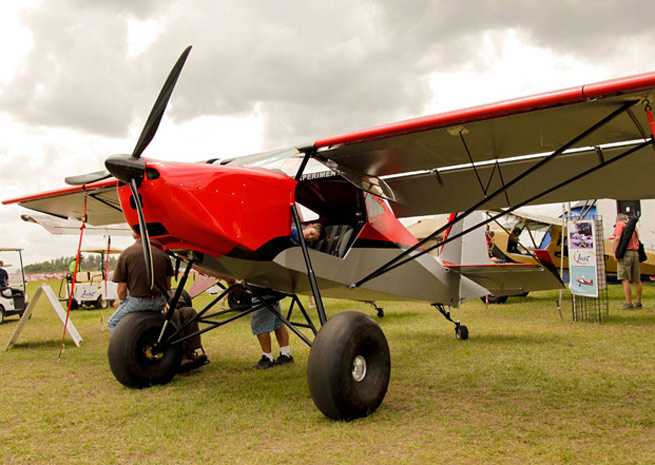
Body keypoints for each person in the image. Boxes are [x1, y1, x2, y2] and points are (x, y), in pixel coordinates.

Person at [251, 223, 323, 369]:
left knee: (259, 322)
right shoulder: (290, 232)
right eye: (311, 233)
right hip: (276, 281)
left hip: (266, 281)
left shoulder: (304, 246)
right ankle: (286, 354)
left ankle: (267, 357)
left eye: (313, 238)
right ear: (308, 226)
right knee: (278, 321)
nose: (310, 238)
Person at [107, 236, 172, 331]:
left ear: (134, 236)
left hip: (138, 302)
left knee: (112, 323)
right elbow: (168, 285)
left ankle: (127, 344)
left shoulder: (126, 254)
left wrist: (122, 302)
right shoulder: (163, 254)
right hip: (160, 302)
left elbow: (122, 289)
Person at [613, 213, 643, 309]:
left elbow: (617, 238)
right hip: (635, 253)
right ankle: (638, 302)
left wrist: (615, 253)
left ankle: (628, 303)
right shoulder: (633, 227)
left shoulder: (620, 224)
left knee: (625, 278)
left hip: (626, 254)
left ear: (618, 220)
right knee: (637, 280)